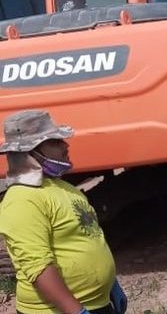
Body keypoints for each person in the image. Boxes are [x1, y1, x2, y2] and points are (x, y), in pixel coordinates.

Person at [0, 110, 127, 314]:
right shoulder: (22, 200)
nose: (65, 146)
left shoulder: (64, 188)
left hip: (97, 303)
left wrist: (111, 283)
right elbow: (38, 267)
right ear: (30, 152)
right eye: (54, 142)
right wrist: (75, 311)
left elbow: (90, 236)